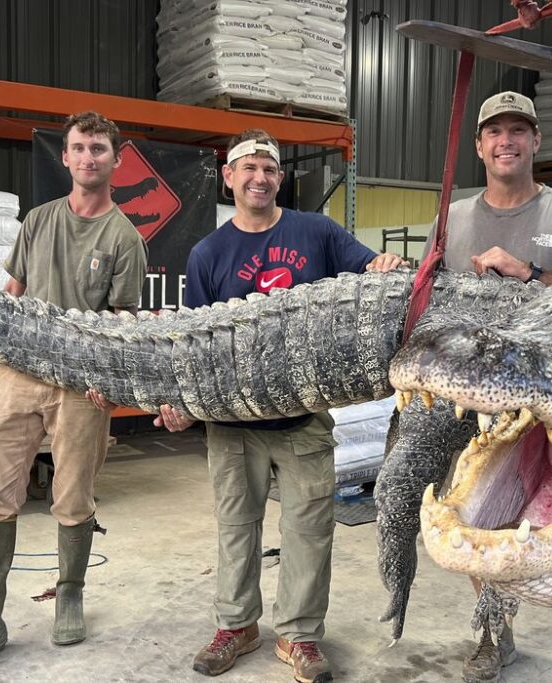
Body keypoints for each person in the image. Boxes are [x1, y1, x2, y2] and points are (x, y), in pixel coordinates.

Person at [154, 128, 405, 683]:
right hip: (231, 423)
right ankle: (237, 626)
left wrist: (384, 264)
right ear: (229, 177)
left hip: (302, 419)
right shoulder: (208, 253)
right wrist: (181, 402)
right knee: (236, 527)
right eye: (248, 168)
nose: (259, 178)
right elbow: (191, 344)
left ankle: (299, 636)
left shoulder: (316, 231)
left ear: (280, 177)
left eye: (269, 168)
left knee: (310, 529)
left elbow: (370, 272)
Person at [0, 111, 148, 677]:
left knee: (73, 497)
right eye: (79, 148)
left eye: (99, 148)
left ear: (116, 160)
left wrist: (109, 382)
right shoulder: (39, 220)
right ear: (66, 157)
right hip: (18, 374)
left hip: (81, 387)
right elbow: (10, 297)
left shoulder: (124, 237)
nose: (88, 157)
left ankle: (70, 592)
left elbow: (123, 322)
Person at [428, 91, 552, 683]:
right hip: (481, 397)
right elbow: (434, 300)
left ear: (536, 141)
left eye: (518, 130)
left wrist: (529, 274)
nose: (505, 141)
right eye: (494, 132)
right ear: (479, 145)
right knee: (480, 510)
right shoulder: (452, 218)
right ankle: (493, 632)